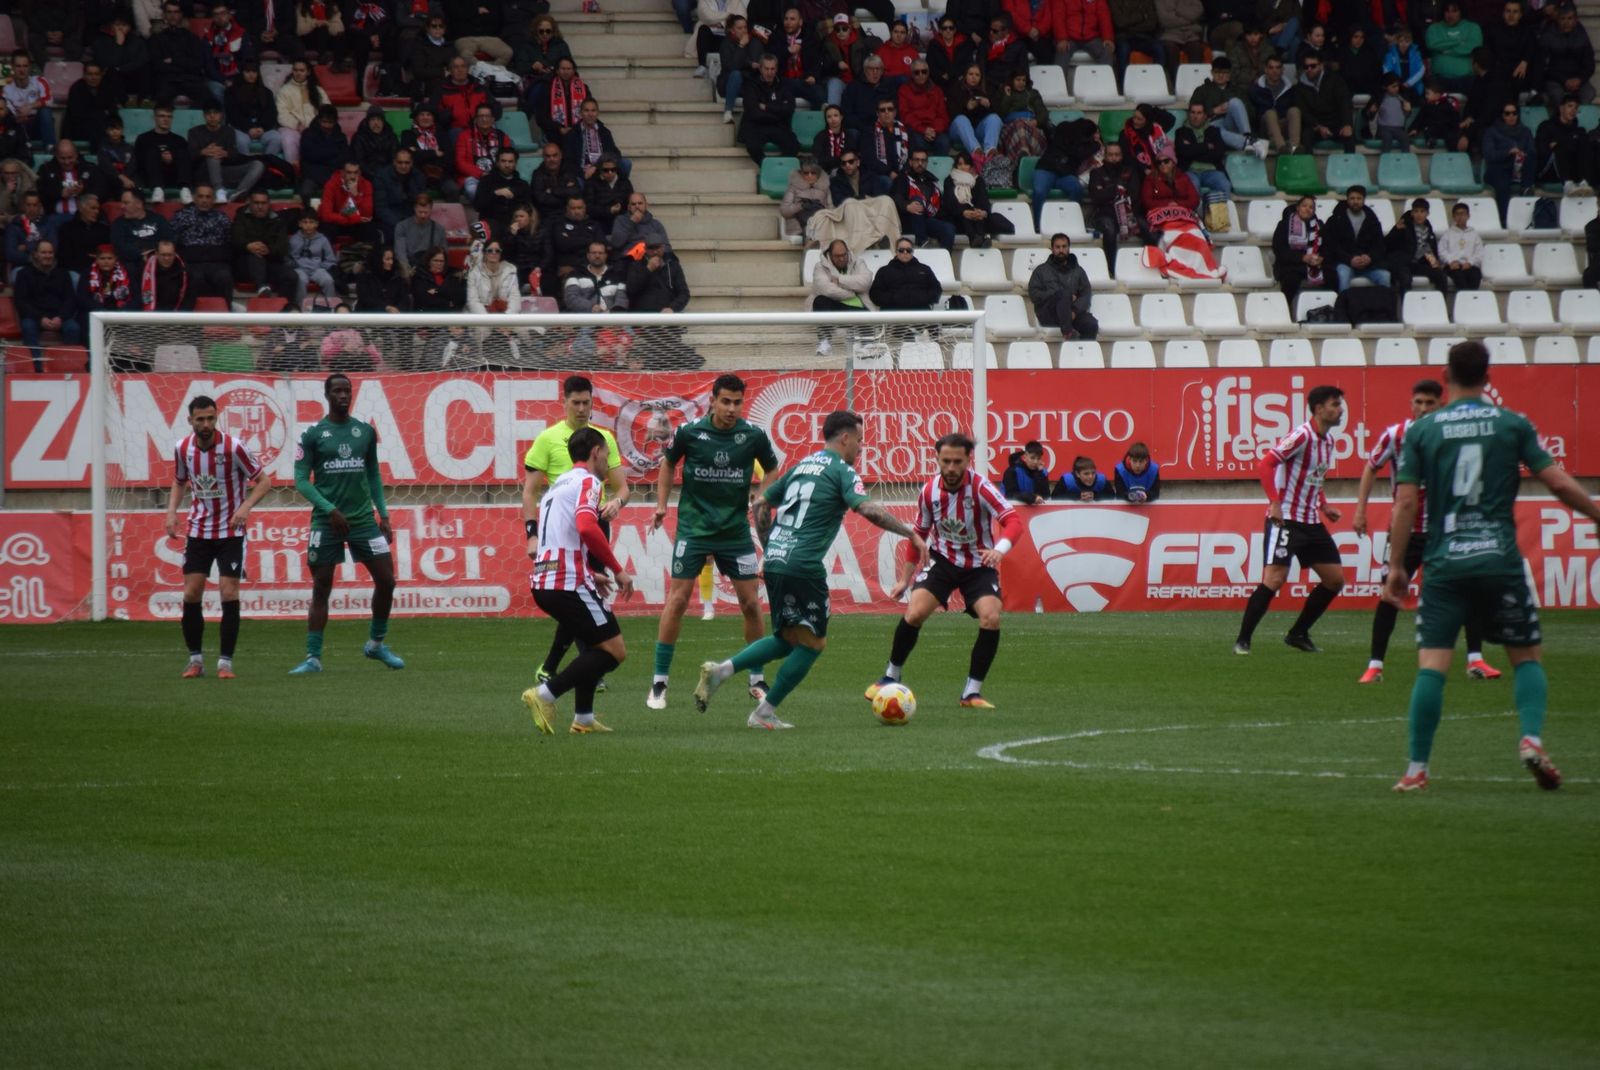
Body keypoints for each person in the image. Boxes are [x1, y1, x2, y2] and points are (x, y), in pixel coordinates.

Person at [1386, 341, 1600, 793]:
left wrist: (1397, 566)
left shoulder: (1423, 431)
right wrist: (1597, 515)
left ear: (1446, 376)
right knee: (1526, 657)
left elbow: (1406, 501)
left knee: (1432, 667)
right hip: (1500, 558)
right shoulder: (1512, 424)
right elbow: (1557, 481)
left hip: (1445, 562)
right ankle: (1530, 738)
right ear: (1488, 377)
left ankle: (1416, 768)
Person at [694, 410, 924, 730]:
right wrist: (910, 533)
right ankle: (762, 714)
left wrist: (771, 546)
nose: (860, 447)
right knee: (814, 644)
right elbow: (866, 508)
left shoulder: (803, 465)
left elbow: (760, 504)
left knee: (788, 638)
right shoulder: (842, 470)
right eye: (859, 440)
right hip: (803, 564)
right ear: (845, 438)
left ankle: (723, 671)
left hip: (777, 559)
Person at [1352, 379, 1500, 686]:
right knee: (1390, 594)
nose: (1422, 408)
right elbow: (1371, 466)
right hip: (1405, 532)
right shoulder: (1396, 435)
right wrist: (1360, 510)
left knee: (1467, 590)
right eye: (1418, 402)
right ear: (1411, 403)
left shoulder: (1452, 435)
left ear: (1440, 404)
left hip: (1446, 530)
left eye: (1429, 403)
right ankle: (1375, 665)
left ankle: (1475, 660)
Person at [646, 375, 781, 710]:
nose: (732, 408)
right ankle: (659, 683)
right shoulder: (690, 432)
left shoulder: (752, 435)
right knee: (677, 601)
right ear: (713, 400)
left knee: (751, 603)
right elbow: (667, 463)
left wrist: (762, 499)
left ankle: (756, 679)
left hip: (735, 532)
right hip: (693, 528)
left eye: (737, 402)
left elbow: (772, 469)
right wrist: (662, 505)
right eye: (726, 402)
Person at [867, 431, 1021, 709]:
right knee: (914, 612)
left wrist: (1000, 549)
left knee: (991, 617)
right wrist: (905, 578)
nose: (951, 468)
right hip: (943, 561)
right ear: (937, 459)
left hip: (979, 564)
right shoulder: (929, 491)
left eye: (957, 462)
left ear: (968, 461)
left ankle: (971, 693)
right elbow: (919, 535)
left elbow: (1013, 521)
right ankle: (890, 676)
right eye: (946, 461)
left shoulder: (982, 488)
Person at [520, 427, 638, 736]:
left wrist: (590, 572)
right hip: (566, 582)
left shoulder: (557, 486)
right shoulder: (589, 481)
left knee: (595, 644)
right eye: (607, 454)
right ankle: (544, 694)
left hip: (546, 580)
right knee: (614, 650)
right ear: (596, 452)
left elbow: (563, 537)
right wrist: (617, 569)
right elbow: (587, 528)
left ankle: (583, 719)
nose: (608, 461)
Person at [289, 373, 404, 675]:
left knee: (387, 580)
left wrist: (384, 514)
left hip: (364, 520)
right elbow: (300, 480)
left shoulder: (364, 432)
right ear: (326, 395)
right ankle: (313, 657)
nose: (343, 395)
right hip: (327, 522)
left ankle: (376, 645)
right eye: (337, 391)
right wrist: (329, 509)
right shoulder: (312, 434)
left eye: (347, 391)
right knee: (322, 587)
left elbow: (374, 475)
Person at [521, 376, 630, 694]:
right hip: (568, 539)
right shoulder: (550, 441)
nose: (582, 408)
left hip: (574, 544)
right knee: (604, 638)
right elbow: (530, 493)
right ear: (564, 401)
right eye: (576, 402)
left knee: (586, 611)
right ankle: (551, 686)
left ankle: (581, 714)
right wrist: (532, 534)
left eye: (587, 402)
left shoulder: (594, 449)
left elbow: (622, 487)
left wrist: (616, 502)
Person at [163, 394, 272, 680]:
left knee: (228, 591)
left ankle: (225, 663)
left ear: (217, 417)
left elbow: (265, 481)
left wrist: (245, 507)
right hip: (199, 530)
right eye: (200, 419)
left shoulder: (234, 447)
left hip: (231, 532)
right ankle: (195, 661)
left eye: (211, 418)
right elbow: (179, 481)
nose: (207, 424)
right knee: (191, 592)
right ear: (190, 421)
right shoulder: (182, 448)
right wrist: (171, 512)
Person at [1233, 384, 1346, 656]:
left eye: (1340, 404)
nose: (1340, 409)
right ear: (1319, 409)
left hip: (1311, 521)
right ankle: (1243, 640)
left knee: (1335, 580)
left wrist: (1323, 504)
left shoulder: (1328, 441)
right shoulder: (1301, 436)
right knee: (1275, 578)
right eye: (1334, 404)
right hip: (1286, 520)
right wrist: (1274, 502)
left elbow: (1314, 477)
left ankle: (1298, 633)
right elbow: (1266, 464)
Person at [13, 241, 79, 370]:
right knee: (27, 326)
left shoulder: (63, 274)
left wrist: (60, 317)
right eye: (43, 252)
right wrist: (40, 318)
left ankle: (67, 366)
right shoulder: (24, 274)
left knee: (73, 328)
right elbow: (21, 302)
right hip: (35, 317)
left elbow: (70, 300)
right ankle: (37, 367)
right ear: (36, 254)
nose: (47, 255)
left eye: (50, 252)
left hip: (60, 317)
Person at [1188, 56, 1267, 157]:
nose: (1220, 75)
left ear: (1229, 74)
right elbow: (1192, 114)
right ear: (1212, 73)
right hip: (1211, 127)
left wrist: (1232, 108)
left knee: (1235, 102)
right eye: (1217, 72)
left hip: (1234, 126)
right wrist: (1213, 111)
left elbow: (1252, 114)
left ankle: (1248, 138)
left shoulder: (1237, 91)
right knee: (1213, 130)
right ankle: (1250, 143)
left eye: (1224, 72)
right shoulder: (1202, 90)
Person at [1028, 233, 1098, 340]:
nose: (1061, 250)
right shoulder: (1041, 271)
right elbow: (1034, 294)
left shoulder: (1078, 271)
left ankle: (1086, 355)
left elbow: (1086, 294)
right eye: (1058, 247)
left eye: (1064, 247)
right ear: (1052, 249)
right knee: (1064, 294)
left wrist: (1074, 311)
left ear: (1069, 248)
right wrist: (1061, 296)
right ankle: (1068, 333)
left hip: (1073, 313)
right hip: (1050, 314)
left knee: (1091, 324)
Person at [170, 184, 235, 298]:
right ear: (194, 198)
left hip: (216, 262)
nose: (204, 200)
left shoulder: (222, 218)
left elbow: (229, 241)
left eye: (208, 197)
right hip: (191, 262)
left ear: (214, 199)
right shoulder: (182, 216)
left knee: (224, 277)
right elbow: (172, 239)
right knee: (195, 278)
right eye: (201, 196)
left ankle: (226, 312)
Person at [810, 238, 872, 355]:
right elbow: (826, 289)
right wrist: (852, 292)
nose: (842, 258)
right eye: (837, 256)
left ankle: (868, 343)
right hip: (835, 308)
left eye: (844, 255)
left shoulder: (858, 262)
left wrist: (840, 280)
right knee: (820, 301)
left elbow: (865, 282)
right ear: (829, 255)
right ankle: (825, 343)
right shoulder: (820, 267)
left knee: (866, 313)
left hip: (859, 308)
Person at [148, 2, 215, 109]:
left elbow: (197, 64)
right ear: (164, 15)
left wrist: (173, 60)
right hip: (168, 81)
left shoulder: (192, 38)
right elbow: (158, 65)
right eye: (169, 12)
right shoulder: (156, 39)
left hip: (190, 80)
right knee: (160, 103)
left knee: (211, 102)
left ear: (181, 14)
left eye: (176, 12)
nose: (173, 15)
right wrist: (184, 63)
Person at [1325, 184, 1390, 293]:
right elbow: (1332, 245)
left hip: (1368, 265)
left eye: (1359, 198)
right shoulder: (1336, 219)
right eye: (1352, 198)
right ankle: (1343, 307)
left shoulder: (1372, 219)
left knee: (1385, 276)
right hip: (1344, 262)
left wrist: (1370, 257)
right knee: (1342, 274)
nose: (1355, 201)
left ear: (1364, 200)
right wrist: (1349, 259)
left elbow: (1379, 245)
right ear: (1347, 199)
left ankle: (1383, 307)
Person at [233, 189, 297, 298]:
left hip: (270, 263)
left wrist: (268, 250)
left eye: (263, 203)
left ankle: (284, 309)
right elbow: (235, 240)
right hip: (246, 266)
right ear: (250, 203)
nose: (260, 206)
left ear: (269, 204)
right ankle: (261, 287)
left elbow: (282, 247)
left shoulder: (278, 220)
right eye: (256, 203)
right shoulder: (240, 217)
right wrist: (248, 246)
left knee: (291, 276)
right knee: (255, 255)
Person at [941, 151, 1012, 248]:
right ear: (956, 165)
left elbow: (983, 200)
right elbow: (949, 203)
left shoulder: (978, 181)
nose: (963, 167)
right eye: (960, 164)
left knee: (979, 216)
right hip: (957, 217)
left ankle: (977, 239)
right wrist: (963, 212)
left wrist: (981, 212)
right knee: (966, 216)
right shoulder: (949, 180)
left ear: (970, 166)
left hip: (976, 217)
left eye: (966, 164)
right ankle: (977, 238)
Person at [36, 141, 116, 226]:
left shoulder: (90, 168)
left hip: (85, 216)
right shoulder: (46, 170)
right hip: (56, 217)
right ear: (56, 156)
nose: (67, 162)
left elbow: (103, 190)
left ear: (76, 155)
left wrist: (84, 191)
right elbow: (40, 192)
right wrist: (60, 193)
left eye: (70, 158)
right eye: (62, 158)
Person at [739, 54, 801, 165]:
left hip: (779, 127)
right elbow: (753, 112)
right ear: (760, 68)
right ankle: (768, 167)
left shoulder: (784, 85)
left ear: (776, 69)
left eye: (772, 69)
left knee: (794, 146)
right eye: (766, 68)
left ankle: (777, 166)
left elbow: (789, 109)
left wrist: (767, 107)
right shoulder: (751, 85)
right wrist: (778, 113)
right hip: (757, 126)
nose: (769, 72)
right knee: (753, 146)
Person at [890, 149, 955, 252]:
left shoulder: (932, 180)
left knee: (949, 229)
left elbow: (940, 206)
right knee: (917, 200)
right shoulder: (902, 178)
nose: (920, 163)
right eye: (917, 160)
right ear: (910, 162)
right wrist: (906, 206)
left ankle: (944, 263)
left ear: (927, 163)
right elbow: (895, 198)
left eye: (923, 160)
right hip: (908, 220)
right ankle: (922, 241)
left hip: (927, 220)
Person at [1292, 51, 1354, 153]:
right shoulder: (1300, 87)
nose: (1309, 69)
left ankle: (1350, 168)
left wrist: (1347, 124)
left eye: (1313, 66)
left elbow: (1345, 102)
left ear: (1321, 66)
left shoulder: (1335, 80)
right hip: (1315, 125)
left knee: (1349, 137)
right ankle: (1309, 167)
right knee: (1306, 136)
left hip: (1336, 123)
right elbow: (1303, 111)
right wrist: (1318, 126)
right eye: (1306, 66)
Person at [225, 61, 286, 159]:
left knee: (276, 138)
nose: (251, 75)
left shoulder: (266, 92)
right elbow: (233, 114)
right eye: (248, 71)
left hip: (262, 128)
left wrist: (262, 127)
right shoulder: (231, 92)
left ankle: (267, 166)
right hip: (241, 128)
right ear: (242, 73)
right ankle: (248, 167)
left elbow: (271, 113)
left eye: (254, 72)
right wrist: (249, 127)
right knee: (241, 141)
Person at [1271, 194, 1325, 305]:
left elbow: (1327, 246)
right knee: (1291, 279)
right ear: (1298, 207)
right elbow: (1279, 249)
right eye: (1304, 206)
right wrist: (1302, 258)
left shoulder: (1319, 226)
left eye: (1311, 207)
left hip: (1315, 264)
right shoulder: (1285, 225)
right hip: (1290, 264)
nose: (1307, 209)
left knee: (1333, 276)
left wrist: (1321, 258)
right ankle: (1285, 308)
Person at [1385, 197, 1446, 295]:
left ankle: (1441, 305)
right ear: (1412, 213)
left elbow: (1427, 249)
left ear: (1427, 214)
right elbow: (1387, 244)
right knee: (1405, 279)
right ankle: (1406, 306)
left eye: (1422, 211)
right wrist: (1395, 230)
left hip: (1418, 264)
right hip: (1403, 263)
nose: (1419, 215)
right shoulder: (1403, 226)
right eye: (1416, 211)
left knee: (1441, 276)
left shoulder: (1428, 229)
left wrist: (1435, 264)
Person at [275, 60, 331, 166]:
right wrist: (297, 125)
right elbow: (281, 114)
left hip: (315, 127)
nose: (298, 73)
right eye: (295, 70)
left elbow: (327, 110)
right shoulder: (285, 90)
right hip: (291, 128)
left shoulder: (318, 90)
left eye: (302, 70)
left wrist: (316, 126)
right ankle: (292, 171)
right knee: (288, 140)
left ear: (308, 72)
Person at [111, 189, 174, 280]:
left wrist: (152, 254)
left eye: (126, 203)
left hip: (158, 260)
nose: (122, 206)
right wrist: (141, 254)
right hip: (133, 264)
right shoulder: (118, 224)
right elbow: (120, 246)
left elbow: (169, 239)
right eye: (122, 203)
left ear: (139, 204)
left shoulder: (158, 220)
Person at [77, 243, 138, 336]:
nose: (106, 261)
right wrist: (100, 310)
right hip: (95, 311)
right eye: (102, 258)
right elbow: (82, 298)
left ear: (116, 259)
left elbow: (136, 297)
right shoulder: (87, 273)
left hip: (121, 311)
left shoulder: (127, 272)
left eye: (109, 258)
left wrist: (123, 310)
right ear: (96, 259)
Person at [1539, 3, 1594, 105]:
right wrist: (1564, 80)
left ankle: (1580, 120)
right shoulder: (1548, 37)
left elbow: (1589, 64)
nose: (1566, 22)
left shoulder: (1582, 36)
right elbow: (1544, 67)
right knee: (1557, 95)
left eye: (1570, 19)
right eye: (1562, 19)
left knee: (1589, 93)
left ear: (1576, 20)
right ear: (1557, 19)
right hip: (1556, 80)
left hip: (1578, 79)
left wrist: (1580, 79)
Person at [455, 104, 513, 199]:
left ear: (493, 119)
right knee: (472, 190)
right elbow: (460, 163)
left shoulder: (502, 137)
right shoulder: (464, 136)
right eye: (481, 116)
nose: (484, 119)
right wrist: (481, 173)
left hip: (498, 176)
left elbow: (509, 159)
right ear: (476, 119)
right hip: (474, 177)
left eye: (487, 116)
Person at [134, 106, 193, 200]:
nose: (166, 119)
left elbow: (187, 162)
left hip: (174, 177)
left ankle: (185, 188)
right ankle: (157, 188)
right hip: (150, 179)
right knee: (152, 152)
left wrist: (172, 159)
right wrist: (159, 158)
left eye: (169, 117)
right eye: (162, 116)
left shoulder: (179, 140)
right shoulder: (143, 139)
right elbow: (138, 162)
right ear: (154, 118)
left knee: (182, 152)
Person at [869, 236, 941, 310]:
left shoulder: (925, 269)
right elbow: (875, 294)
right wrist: (894, 299)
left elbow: (936, 289)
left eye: (908, 250)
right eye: (901, 250)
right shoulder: (884, 271)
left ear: (912, 252)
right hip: (892, 314)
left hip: (920, 313)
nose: (905, 252)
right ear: (896, 251)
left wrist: (922, 298)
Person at [564, 99, 629, 180]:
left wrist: (596, 166)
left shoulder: (604, 132)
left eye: (593, 111)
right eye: (586, 111)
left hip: (603, 170)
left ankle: (620, 189)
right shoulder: (572, 134)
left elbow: (615, 153)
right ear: (581, 113)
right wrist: (582, 174)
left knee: (626, 163)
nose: (590, 114)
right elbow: (568, 161)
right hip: (582, 173)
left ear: (597, 113)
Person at [946, 64, 1000, 162]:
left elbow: (998, 113)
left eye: (977, 75)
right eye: (970, 74)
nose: (973, 77)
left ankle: (990, 151)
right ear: (965, 75)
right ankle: (976, 152)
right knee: (961, 119)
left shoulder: (986, 89)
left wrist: (988, 106)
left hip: (976, 131)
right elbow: (951, 113)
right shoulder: (956, 88)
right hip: (958, 131)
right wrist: (966, 107)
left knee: (994, 118)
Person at [1535, 94, 1588, 194]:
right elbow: (1542, 150)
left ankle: (1583, 182)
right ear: (1561, 108)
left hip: (1573, 168)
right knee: (1561, 147)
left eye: (1576, 107)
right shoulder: (1546, 126)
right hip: (1550, 170)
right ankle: (1567, 184)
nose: (1573, 110)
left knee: (1583, 143)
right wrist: (1564, 143)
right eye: (1570, 106)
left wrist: (1559, 142)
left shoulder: (1579, 131)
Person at [1426, 1, 1482, 94]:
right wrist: (1459, 41)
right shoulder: (1434, 28)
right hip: (1439, 78)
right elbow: (1432, 44)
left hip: (1467, 78)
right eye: (1447, 11)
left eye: (1454, 11)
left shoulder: (1473, 28)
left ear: (1461, 12)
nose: (1450, 15)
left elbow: (1474, 47)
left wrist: (1447, 50)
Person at [859, 98, 910, 197]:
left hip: (902, 172)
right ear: (877, 113)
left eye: (890, 109)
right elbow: (869, 159)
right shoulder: (869, 132)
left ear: (895, 112)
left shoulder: (905, 130)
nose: (886, 112)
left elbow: (912, 153)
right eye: (882, 110)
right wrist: (889, 172)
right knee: (887, 182)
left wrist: (903, 173)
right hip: (879, 175)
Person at [319, 160, 379, 245]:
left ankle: (365, 257)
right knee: (326, 229)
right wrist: (351, 219)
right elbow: (326, 215)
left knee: (370, 230)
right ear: (342, 172)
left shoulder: (366, 185)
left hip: (356, 223)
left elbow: (367, 215)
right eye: (349, 172)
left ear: (360, 173)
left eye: (355, 172)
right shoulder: (331, 184)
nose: (352, 176)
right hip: (337, 222)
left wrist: (355, 195)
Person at [897, 60, 950, 156]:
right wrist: (923, 129)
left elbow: (943, 116)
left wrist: (934, 130)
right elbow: (905, 115)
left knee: (944, 142)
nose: (921, 75)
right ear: (912, 74)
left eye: (924, 72)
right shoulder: (904, 90)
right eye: (917, 72)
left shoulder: (937, 90)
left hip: (934, 130)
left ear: (928, 73)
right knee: (917, 142)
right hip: (916, 129)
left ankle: (938, 171)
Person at [300, 105, 353, 199]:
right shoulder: (307, 134)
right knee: (306, 192)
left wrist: (321, 154)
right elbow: (309, 155)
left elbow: (344, 158)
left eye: (330, 122)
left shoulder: (340, 137)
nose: (327, 126)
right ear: (319, 120)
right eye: (324, 122)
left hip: (333, 174)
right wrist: (332, 153)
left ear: (335, 122)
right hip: (312, 174)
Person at [1249, 54, 1300, 153]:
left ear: (1282, 69)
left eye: (1278, 67)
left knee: (1294, 110)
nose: (1274, 71)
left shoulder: (1290, 89)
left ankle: (1294, 147)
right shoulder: (1255, 89)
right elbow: (1252, 114)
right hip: (1265, 127)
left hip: (1283, 124)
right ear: (1265, 69)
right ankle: (1281, 148)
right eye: (1271, 68)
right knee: (1270, 113)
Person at [64, 63, 122, 147]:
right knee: (96, 124)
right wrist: (101, 113)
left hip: (103, 125)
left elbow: (112, 111)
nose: (93, 78)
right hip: (79, 127)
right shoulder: (76, 88)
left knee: (113, 126)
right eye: (90, 74)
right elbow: (76, 114)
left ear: (101, 75)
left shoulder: (107, 88)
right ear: (84, 75)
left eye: (96, 74)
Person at [475, 148, 533, 231]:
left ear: (515, 163)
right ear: (497, 163)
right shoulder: (486, 181)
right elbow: (477, 206)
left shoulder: (522, 185)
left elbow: (528, 208)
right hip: (491, 226)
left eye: (510, 161)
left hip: (515, 226)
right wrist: (495, 193)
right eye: (503, 161)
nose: (507, 165)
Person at [53, 194, 111, 277]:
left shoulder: (104, 230)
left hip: (100, 270)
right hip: (76, 271)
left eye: (98, 209)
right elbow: (64, 257)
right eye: (93, 208)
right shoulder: (67, 229)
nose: (96, 212)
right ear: (80, 208)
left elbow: (107, 253)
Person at [4, 52, 54, 146]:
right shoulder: (7, 89)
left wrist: (30, 107)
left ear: (30, 67)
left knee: (45, 111)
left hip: (37, 124)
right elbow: (8, 112)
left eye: (25, 66)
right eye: (18, 66)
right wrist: (18, 117)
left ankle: (50, 148)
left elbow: (49, 99)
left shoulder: (39, 81)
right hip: (18, 125)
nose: (22, 70)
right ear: (12, 67)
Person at [564, 240, 630, 312]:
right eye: (594, 253)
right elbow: (571, 298)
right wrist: (591, 307)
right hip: (584, 320)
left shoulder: (617, 276)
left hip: (611, 320)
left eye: (600, 253)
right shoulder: (575, 275)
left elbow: (622, 299)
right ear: (588, 255)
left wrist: (613, 317)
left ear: (606, 255)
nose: (597, 256)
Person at [289, 210, 338, 305]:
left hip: (318, 269)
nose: (308, 225)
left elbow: (330, 259)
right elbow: (289, 258)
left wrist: (321, 266)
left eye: (311, 222)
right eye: (305, 222)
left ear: (317, 224)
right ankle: (300, 309)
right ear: (299, 224)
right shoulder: (294, 239)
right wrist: (294, 266)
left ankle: (330, 308)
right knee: (300, 280)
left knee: (328, 280)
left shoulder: (323, 239)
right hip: (300, 269)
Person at [780, 157, 832, 240]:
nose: (809, 175)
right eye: (806, 173)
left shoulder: (825, 188)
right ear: (801, 174)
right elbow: (784, 211)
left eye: (813, 173)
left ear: (818, 174)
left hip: (820, 222)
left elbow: (832, 210)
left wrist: (820, 208)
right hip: (798, 225)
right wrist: (801, 206)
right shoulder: (793, 188)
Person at [393, 193, 444, 276]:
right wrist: (407, 269)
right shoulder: (401, 226)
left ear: (431, 209)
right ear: (414, 209)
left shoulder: (439, 229)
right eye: (420, 212)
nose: (423, 215)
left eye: (426, 212)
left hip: (430, 271)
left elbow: (442, 255)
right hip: (409, 269)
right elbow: (400, 253)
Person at [1438, 200, 1484, 292]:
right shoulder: (1448, 234)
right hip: (1453, 266)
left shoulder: (1474, 234)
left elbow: (1479, 253)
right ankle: (1464, 301)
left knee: (1476, 275)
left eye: (1463, 214)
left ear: (1468, 216)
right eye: (1457, 214)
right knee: (1459, 277)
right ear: (1453, 217)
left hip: (1469, 265)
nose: (1460, 217)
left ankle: (1471, 299)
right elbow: (1442, 251)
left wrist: (1470, 263)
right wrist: (1451, 261)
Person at [926, 16, 977, 90]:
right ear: (940, 30)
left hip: (961, 83)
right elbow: (930, 65)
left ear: (955, 30)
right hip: (940, 83)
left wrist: (951, 74)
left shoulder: (964, 44)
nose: (948, 30)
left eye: (951, 28)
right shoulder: (933, 44)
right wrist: (941, 76)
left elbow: (969, 64)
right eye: (944, 28)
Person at [356, 244, 411, 312]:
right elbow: (364, 299)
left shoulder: (398, 276)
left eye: (392, 259)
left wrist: (397, 309)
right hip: (369, 316)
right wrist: (385, 308)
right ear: (378, 259)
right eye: (387, 259)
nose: (391, 262)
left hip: (394, 318)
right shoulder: (365, 276)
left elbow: (404, 299)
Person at [143, 240, 195, 312]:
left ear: (175, 254)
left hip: (177, 317)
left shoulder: (185, 272)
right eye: (163, 255)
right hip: (148, 316)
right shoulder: (144, 270)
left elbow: (189, 299)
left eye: (169, 255)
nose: (166, 258)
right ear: (156, 254)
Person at [351, 105, 400, 176]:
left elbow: (394, 158)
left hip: (388, 175)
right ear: (368, 121)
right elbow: (359, 161)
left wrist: (386, 174)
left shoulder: (391, 137)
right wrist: (374, 175)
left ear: (383, 121)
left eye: (379, 119)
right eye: (373, 119)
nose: (376, 123)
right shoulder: (359, 138)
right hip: (367, 175)